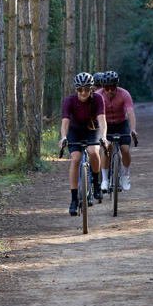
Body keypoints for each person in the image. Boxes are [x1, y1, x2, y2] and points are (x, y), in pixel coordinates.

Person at [60, 72, 106, 215]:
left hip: (92, 129)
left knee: (93, 151)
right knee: (76, 159)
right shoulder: (69, 101)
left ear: (91, 89)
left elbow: (102, 120)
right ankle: (74, 199)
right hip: (75, 131)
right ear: (76, 89)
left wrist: (103, 136)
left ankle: (96, 184)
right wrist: (63, 137)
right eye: (80, 89)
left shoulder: (98, 99)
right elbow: (65, 122)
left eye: (86, 89)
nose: (83, 92)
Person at [96, 70, 138, 191]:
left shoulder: (124, 94)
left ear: (117, 86)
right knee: (107, 148)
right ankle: (105, 179)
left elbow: (130, 113)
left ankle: (125, 175)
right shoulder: (98, 95)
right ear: (103, 87)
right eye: (106, 88)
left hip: (121, 124)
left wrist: (133, 130)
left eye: (112, 88)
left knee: (125, 149)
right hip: (105, 125)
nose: (109, 91)